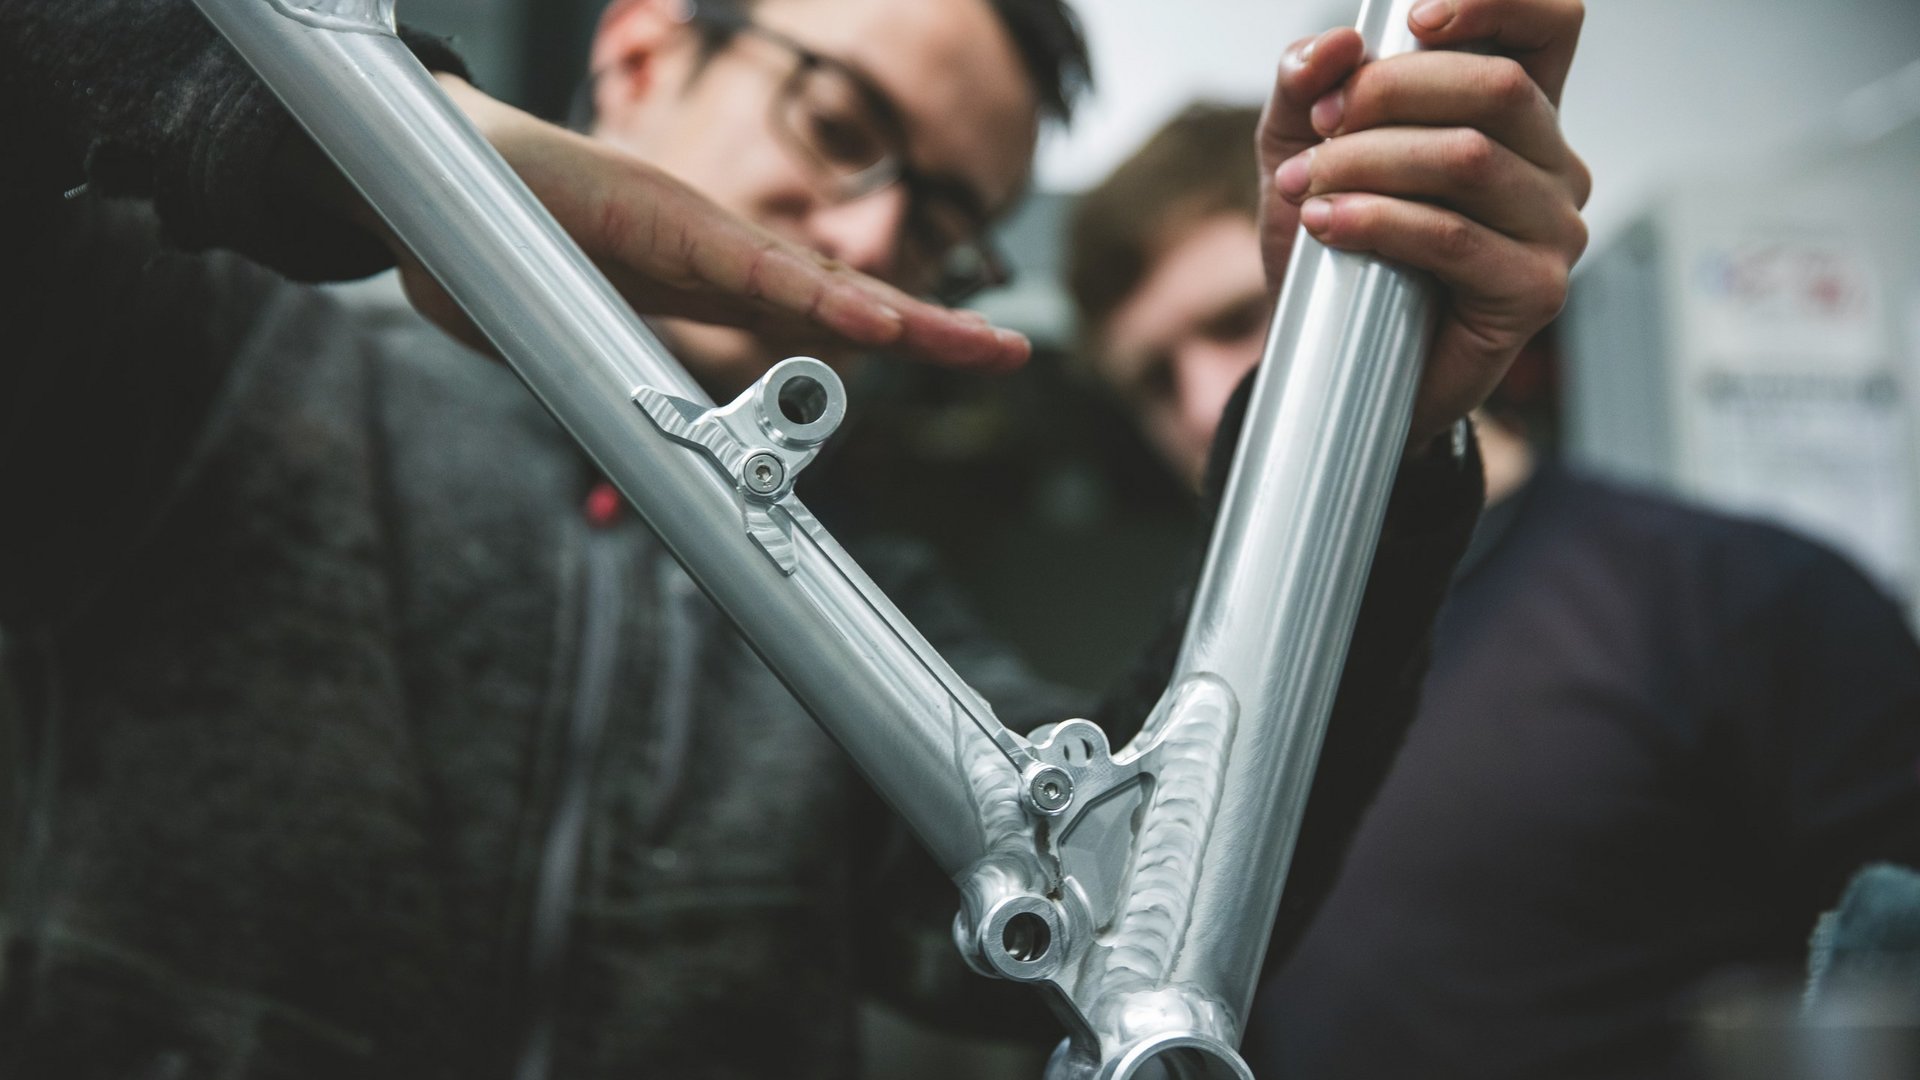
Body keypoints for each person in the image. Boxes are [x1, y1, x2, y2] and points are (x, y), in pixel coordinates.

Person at [0, 0, 1588, 1076]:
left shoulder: (875, 612)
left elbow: (1140, 911)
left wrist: (1371, 422)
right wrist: (355, 146)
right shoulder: (204, 368)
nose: (879, 231)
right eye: (843, 123)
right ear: (640, 50)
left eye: (947, 224)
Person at [1067, 101, 1920, 1080]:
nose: (1198, 404)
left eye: (1234, 322)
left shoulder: (1736, 599)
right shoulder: (1198, 702)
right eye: (1152, 381)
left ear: (1373, 280)